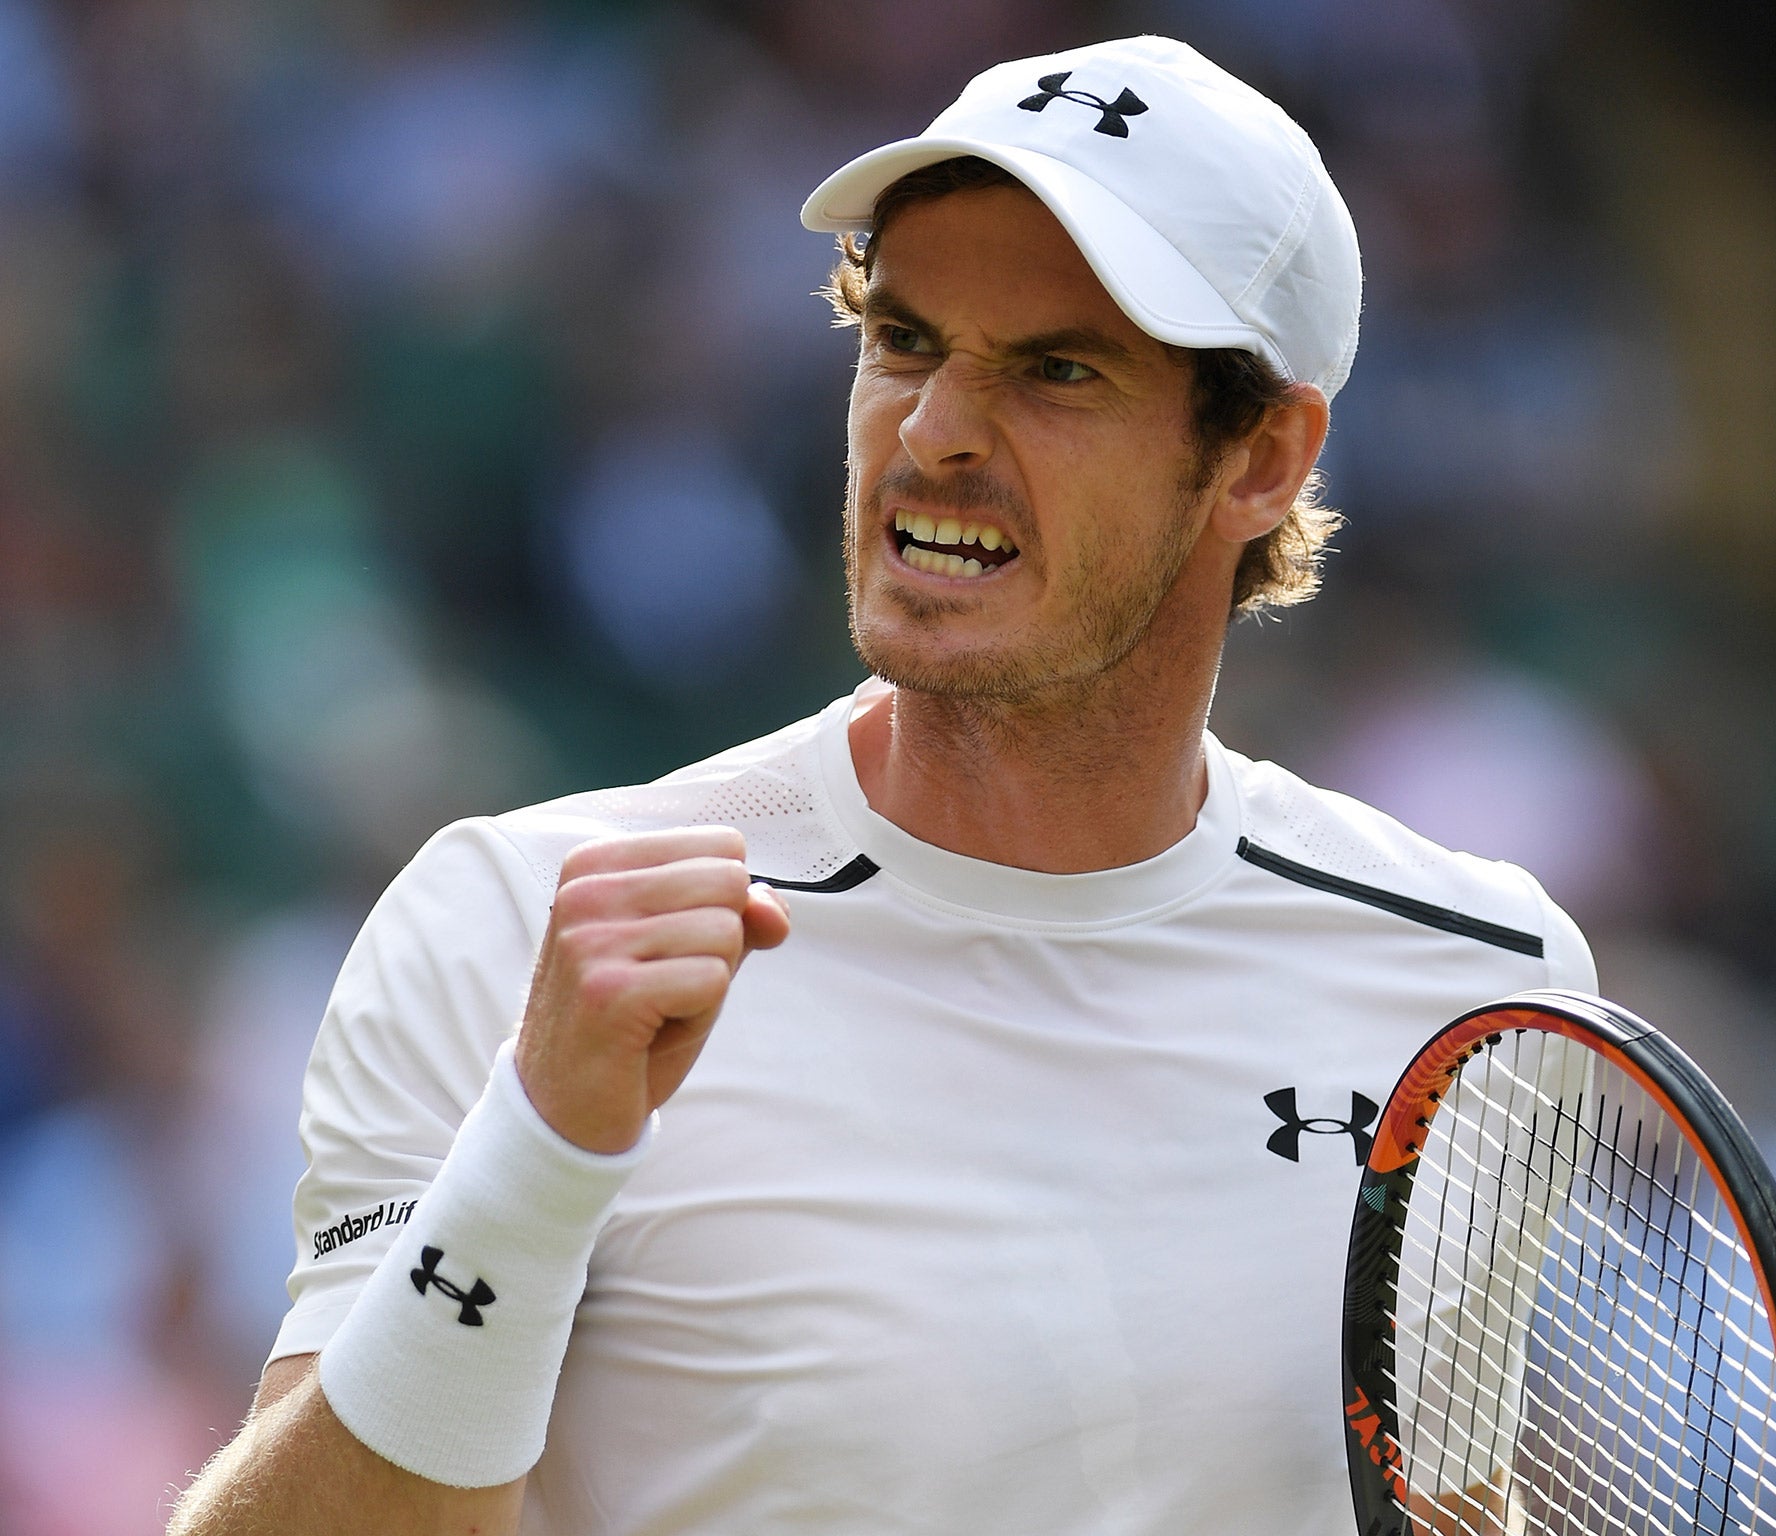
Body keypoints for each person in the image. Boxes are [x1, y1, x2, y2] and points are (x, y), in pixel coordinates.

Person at [170, 35, 1593, 1536]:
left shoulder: (1484, 986)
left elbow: (1456, 1510)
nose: (933, 433)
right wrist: (535, 1153)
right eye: (904, 341)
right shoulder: (512, 927)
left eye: (1055, 371)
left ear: (1259, 458)